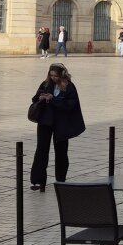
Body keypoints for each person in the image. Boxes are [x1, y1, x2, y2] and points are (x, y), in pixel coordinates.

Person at [29, 63, 86, 191]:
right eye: (51, 75)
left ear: (61, 75)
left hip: (61, 123)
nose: (53, 78)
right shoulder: (45, 84)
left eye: (56, 76)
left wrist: (53, 99)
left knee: (61, 152)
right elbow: (34, 99)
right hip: (45, 122)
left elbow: (71, 105)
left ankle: (61, 180)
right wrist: (41, 97)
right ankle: (38, 181)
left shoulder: (69, 87)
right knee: (41, 150)